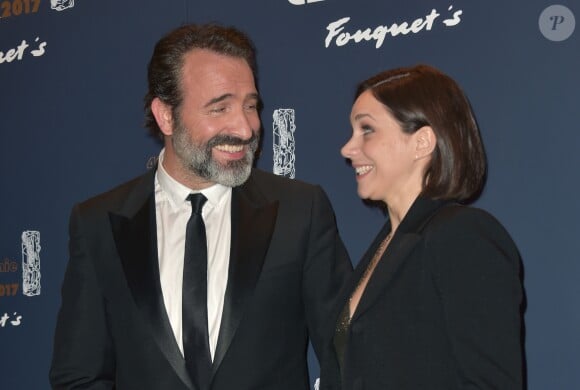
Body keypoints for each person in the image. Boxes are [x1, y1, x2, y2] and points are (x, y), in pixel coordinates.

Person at [49, 23, 352, 390]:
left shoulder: (300, 211)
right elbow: (79, 374)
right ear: (166, 116)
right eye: (219, 108)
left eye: (250, 106)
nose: (244, 128)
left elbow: (347, 358)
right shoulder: (98, 223)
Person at [320, 64, 525, 389]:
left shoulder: (463, 235)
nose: (348, 148)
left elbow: (490, 383)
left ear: (422, 142)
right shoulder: (384, 247)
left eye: (367, 130)